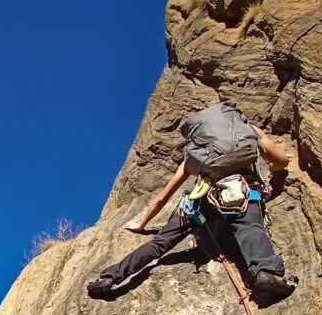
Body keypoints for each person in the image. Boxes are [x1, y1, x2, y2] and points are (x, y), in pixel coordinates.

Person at [86, 114, 295, 303]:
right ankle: (266, 272)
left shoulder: (195, 154)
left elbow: (161, 197)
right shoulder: (250, 132)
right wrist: (272, 169)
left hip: (197, 202)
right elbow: (281, 161)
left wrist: (142, 224)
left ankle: (110, 276)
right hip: (238, 192)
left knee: (160, 244)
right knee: (249, 228)